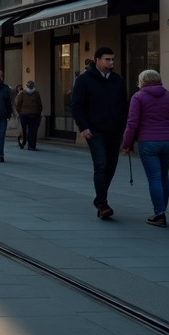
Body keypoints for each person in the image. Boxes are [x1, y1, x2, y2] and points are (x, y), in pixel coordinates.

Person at [121, 69, 169, 228]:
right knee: (163, 176)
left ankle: (159, 214)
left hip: (148, 142)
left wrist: (126, 144)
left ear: (142, 81)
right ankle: (163, 210)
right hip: (168, 142)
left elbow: (132, 123)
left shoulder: (138, 97)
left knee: (154, 178)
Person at [71, 47, 128, 219]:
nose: (111, 62)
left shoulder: (117, 80)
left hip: (114, 130)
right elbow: (76, 105)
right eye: (107, 59)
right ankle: (103, 205)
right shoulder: (84, 80)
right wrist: (84, 127)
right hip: (94, 130)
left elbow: (123, 106)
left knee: (111, 166)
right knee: (101, 164)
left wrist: (125, 129)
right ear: (97, 60)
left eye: (112, 59)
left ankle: (99, 198)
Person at [14, 80, 43, 150]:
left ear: (26, 86)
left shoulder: (22, 93)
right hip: (34, 114)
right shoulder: (36, 93)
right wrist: (38, 112)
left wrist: (19, 112)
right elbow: (40, 104)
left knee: (23, 129)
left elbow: (18, 104)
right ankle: (31, 145)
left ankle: (23, 142)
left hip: (23, 114)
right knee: (32, 130)